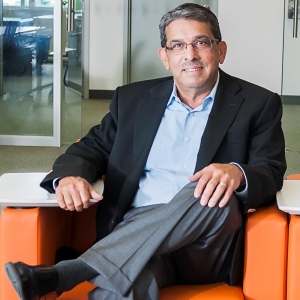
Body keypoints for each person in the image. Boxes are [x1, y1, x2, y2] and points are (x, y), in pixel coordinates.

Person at [5, 3, 286, 300]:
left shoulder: (258, 104)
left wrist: (236, 174)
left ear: (221, 50)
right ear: (164, 57)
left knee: (206, 189)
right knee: (125, 288)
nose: (190, 55)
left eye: (201, 43)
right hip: (136, 235)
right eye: (177, 45)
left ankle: (69, 273)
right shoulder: (133, 100)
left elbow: (270, 172)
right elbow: (91, 147)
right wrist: (69, 177)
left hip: (205, 245)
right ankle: (88, 268)